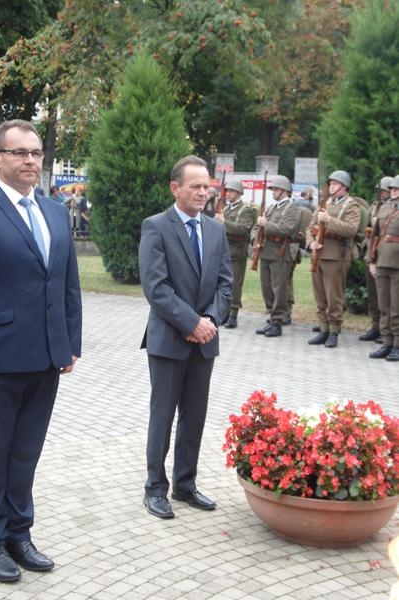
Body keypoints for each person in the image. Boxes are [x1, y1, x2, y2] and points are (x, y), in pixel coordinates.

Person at [0, 119, 82, 582]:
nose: (30, 160)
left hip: (45, 357)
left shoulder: (55, 212)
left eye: (36, 152)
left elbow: (67, 283)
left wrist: (69, 343)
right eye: (20, 152)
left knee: (25, 453)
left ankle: (19, 533)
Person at [139, 155, 232, 519]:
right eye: (195, 186)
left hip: (205, 340)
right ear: (175, 188)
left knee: (194, 416)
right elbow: (156, 287)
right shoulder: (156, 227)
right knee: (163, 416)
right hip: (169, 340)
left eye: (206, 186)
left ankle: (185, 484)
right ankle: (154, 488)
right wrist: (192, 323)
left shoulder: (215, 230)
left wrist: (210, 319)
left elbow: (226, 284)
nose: (203, 192)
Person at [306, 170, 360, 348]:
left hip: (336, 255)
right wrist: (311, 243)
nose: (331, 187)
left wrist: (329, 220)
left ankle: (334, 330)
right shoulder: (326, 203)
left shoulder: (351, 205)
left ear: (344, 186)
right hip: (318, 254)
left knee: (334, 296)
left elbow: (351, 229)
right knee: (320, 295)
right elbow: (310, 227)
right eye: (330, 184)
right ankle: (323, 328)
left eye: (335, 184)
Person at [254, 175, 301, 337]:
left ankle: (278, 321)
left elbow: (287, 229)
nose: (273, 192)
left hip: (280, 252)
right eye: (273, 189)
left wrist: (265, 224)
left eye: (275, 189)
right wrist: (255, 238)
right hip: (265, 250)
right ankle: (272, 317)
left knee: (279, 289)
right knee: (266, 287)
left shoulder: (292, 208)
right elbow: (257, 227)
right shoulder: (272, 208)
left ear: (284, 191)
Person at [214, 180, 256, 329]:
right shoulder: (226, 208)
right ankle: (223, 311)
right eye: (227, 191)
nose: (228, 194)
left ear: (238, 192)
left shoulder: (246, 210)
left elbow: (243, 228)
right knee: (221, 282)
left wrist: (223, 222)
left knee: (235, 283)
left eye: (231, 191)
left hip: (237, 251)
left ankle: (233, 314)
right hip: (223, 250)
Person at [368, 175, 399, 361]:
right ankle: (387, 342)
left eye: (397, 189)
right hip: (381, 262)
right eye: (392, 188)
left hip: (397, 265)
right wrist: (371, 260)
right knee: (384, 306)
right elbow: (375, 236)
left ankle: (397, 344)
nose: (394, 191)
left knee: (397, 307)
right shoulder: (385, 208)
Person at [359, 176, 393, 342]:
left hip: (388, 254)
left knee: (387, 296)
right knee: (373, 293)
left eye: (384, 190)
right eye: (379, 190)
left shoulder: (392, 208)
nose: (381, 193)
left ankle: (387, 329)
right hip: (372, 252)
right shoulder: (374, 206)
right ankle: (375, 326)